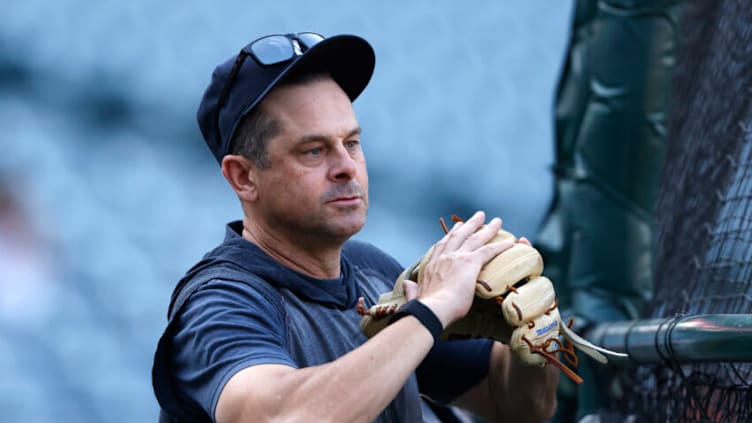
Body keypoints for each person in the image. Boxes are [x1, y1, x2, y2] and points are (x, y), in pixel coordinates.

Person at [152, 32, 559, 423]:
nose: (347, 167)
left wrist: (534, 342)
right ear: (243, 177)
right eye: (314, 150)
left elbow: (517, 407)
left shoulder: (372, 272)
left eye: (351, 143)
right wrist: (430, 311)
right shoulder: (220, 303)